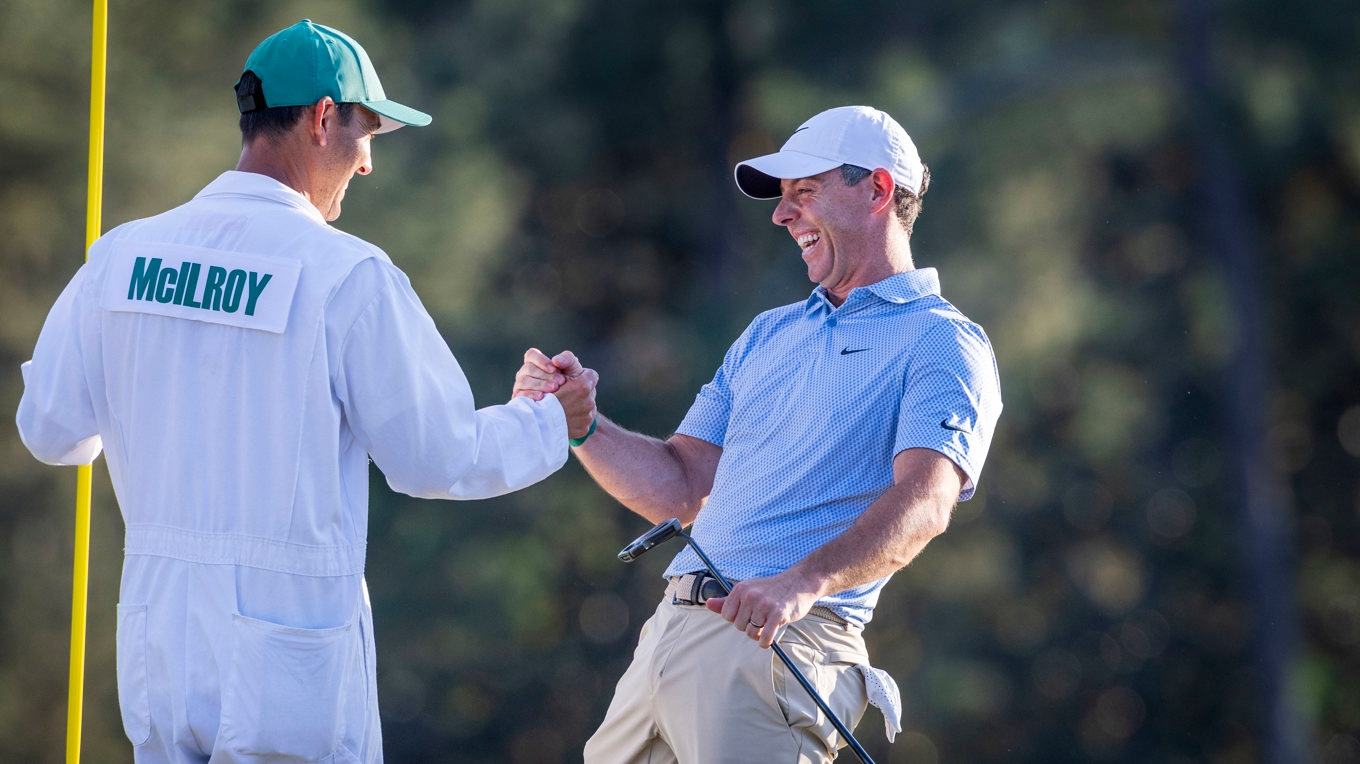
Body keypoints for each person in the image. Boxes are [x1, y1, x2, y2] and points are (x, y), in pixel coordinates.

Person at [15, 20, 596, 764]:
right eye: (369, 136)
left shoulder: (120, 257)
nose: (368, 167)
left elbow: (51, 432)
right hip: (291, 664)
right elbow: (436, 458)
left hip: (159, 648)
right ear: (325, 119)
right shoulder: (346, 276)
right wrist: (548, 420)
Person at [516, 105, 1003, 763]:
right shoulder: (768, 334)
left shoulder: (942, 340)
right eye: (782, 198)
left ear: (878, 190)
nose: (782, 214)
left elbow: (926, 500)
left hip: (781, 645)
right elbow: (683, 485)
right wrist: (583, 426)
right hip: (668, 638)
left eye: (805, 192)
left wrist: (802, 582)